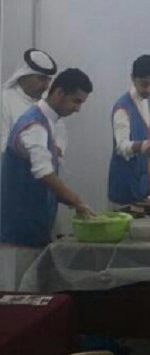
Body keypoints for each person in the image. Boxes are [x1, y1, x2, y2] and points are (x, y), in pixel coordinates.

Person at [1, 68, 95, 248]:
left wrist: (70, 201)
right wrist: (77, 201)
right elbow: (44, 173)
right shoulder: (34, 126)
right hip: (18, 231)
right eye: (76, 101)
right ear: (59, 93)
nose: (78, 109)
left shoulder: (48, 121)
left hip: (36, 226)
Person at [108, 55, 150, 206]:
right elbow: (121, 147)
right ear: (133, 78)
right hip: (124, 185)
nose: (149, 89)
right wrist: (142, 146)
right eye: (144, 84)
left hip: (144, 181)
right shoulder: (123, 107)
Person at [0, 49, 61, 153]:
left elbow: (59, 128)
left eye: (48, 80)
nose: (46, 86)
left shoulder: (45, 99)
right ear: (24, 77)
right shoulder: (4, 100)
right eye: (41, 79)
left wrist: (58, 146)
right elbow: (3, 143)